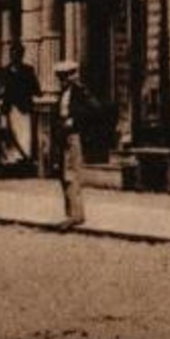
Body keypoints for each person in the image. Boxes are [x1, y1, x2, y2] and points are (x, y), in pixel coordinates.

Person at [53, 60, 94, 229]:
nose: (62, 80)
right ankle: (70, 213)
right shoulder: (63, 93)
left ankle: (76, 215)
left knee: (71, 175)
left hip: (73, 135)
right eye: (60, 77)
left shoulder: (80, 92)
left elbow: (93, 109)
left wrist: (74, 120)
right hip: (62, 135)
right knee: (63, 175)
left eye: (65, 76)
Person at [0, 42, 41, 169]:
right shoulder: (4, 71)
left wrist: (29, 91)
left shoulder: (28, 70)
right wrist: (0, 92)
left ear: (22, 55)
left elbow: (36, 89)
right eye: (13, 54)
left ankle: (23, 160)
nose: (15, 56)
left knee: (24, 134)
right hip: (9, 108)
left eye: (18, 54)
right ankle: (11, 161)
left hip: (23, 108)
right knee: (10, 134)